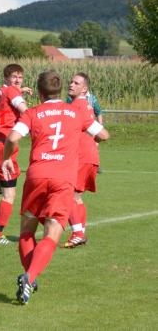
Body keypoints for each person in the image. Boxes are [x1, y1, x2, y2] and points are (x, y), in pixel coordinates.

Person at [1, 70, 109, 304]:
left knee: (27, 231)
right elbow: (103, 134)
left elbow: (12, 138)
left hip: (37, 176)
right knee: (52, 233)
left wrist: (7, 159)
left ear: (39, 92)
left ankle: (29, 277)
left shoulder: (33, 112)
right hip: (63, 179)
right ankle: (29, 277)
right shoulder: (75, 112)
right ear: (59, 90)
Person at [0, 64, 30, 244]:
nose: (17, 80)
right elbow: (25, 110)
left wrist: (20, 90)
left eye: (20, 77)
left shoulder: (0, 91)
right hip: (2, 145)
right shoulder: (12, 92)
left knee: (5, 182)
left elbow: (8, 100)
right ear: (6, 78)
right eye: (14, 77)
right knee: (9, 195)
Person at [64, 73, 101, 248]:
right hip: (90, 156)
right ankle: (79, 233)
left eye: (76, 83)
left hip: (81, 157)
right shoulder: (85, 105)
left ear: (84, 88)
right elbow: (98, 132)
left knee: (68, 194)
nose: (71, 84)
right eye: (71, 81)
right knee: (76, 197)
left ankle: (78, 233)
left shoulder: (77, 106)